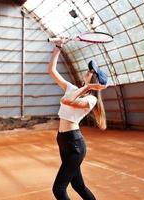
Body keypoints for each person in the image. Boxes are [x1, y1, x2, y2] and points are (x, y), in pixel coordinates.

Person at [48, 38, 108, 200]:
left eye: (91, 72)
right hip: (63, 140)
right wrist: (59, 46)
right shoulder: (73, 89)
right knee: (78, 185)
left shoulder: (91, 100)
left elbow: (66, 101)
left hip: (75, 144)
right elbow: (52, 70)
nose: (88, 72)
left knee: (59, 189)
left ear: (95, 80)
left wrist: (87, 88)